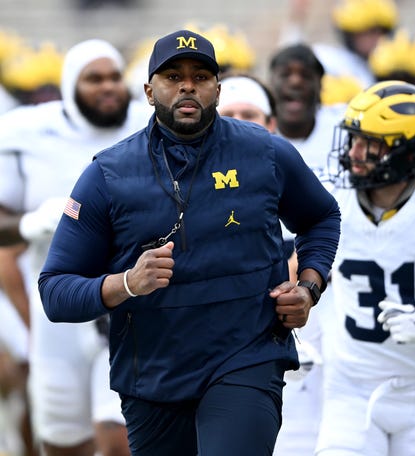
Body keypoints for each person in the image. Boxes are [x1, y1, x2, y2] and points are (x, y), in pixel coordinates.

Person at [37, 29, 341, 456]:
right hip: (153, 375)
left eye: (200, 76)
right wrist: (126, 283)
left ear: (217, 87)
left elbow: (322, 216)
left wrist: (309, 287)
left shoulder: (265, 153)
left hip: (247, 357)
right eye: (172, 76)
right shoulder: (108, 174)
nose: (187, 86)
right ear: (147, 90)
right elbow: (55, 291)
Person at [0, 38, 150, 456]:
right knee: (61, 442)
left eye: (114, 77)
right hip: (57, 315)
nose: (108, 87)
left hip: (127, 303)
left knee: (119, 439)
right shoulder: (28, 131)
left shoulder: (148, 125)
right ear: (69, 86)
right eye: (93, 79)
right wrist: (32, 221)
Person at [317, 80, 415, 455]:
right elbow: (300, 268)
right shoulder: (333, 197)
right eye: (354, 140)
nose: (355, 153)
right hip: (350, 388)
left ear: (408, 152)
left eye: (371, 144)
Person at [267, 42, 345, 456]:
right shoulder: (254, 141)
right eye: (285, 72)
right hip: (272, 282)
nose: (295, 80)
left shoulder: (345, 132)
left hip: (332, 276)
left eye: (305, 73)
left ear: (320, 85)